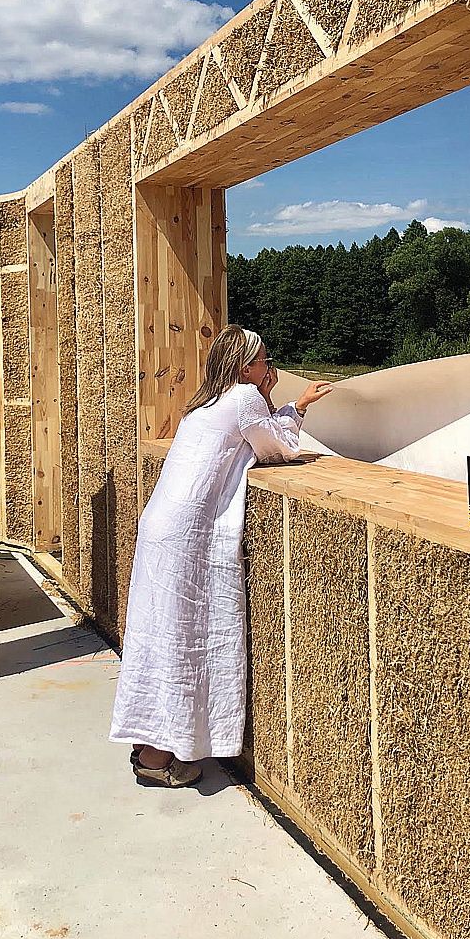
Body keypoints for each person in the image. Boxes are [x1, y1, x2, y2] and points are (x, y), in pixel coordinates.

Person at [109, 324, 333, 787]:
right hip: (187, 535)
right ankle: (157, 758)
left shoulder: (207, 401)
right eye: (265, 361)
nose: (270, 369)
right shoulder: (246, 397)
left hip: (163, 527)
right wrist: (294, 406)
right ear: (245, 366)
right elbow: (279, 447)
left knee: (160, 636)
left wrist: (285, 406)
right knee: (184, 639)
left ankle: (149, 746)